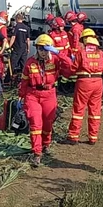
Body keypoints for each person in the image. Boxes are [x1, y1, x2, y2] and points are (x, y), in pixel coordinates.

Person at [19, 34, 67, 167]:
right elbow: (24, 81)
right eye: (41, 49)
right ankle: (37, 153)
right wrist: (21, 97)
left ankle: (46, 145)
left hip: (49, 94)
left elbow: (70, 65)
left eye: (46, 49)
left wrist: (58, 52)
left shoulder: (55, 60)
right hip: (32, 95)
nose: (43, 52)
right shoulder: (30, 62)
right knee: (35, 123)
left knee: (47, 123)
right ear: (37, 49)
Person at [62, 29, 103, 145]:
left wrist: (64, 74)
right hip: (98, 82)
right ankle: (93, 137)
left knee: (79, 109)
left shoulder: (81, 53)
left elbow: (73, 68)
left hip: (84, 82)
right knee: (95, 110)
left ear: (84, 40)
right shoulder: (101, 53)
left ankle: (73, 136)